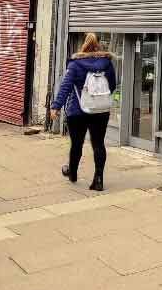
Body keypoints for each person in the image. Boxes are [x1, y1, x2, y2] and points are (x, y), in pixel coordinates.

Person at [50, 33, 117, 191]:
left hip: (77, 111)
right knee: (98, 144)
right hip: (100, 111)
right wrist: (98, 99)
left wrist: (56, 107)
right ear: (99, 45)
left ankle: (72, 173)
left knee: (77, 144)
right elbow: (112, 86)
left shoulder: (75, 64)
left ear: (83, 45)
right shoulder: (107, 64)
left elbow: (65, 87)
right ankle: (98, 179)